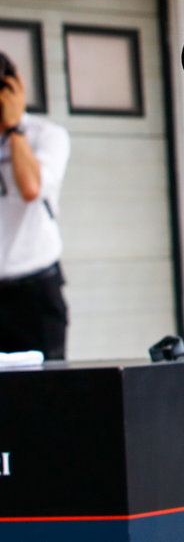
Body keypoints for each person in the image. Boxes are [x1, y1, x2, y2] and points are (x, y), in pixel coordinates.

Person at [0, 53, 70, 359]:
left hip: (35, 290)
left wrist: (14, 129)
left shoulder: (47, 136)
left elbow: (31, 188)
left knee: (46, 397)